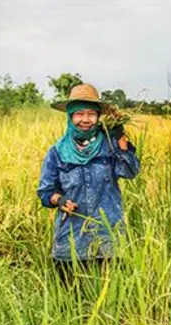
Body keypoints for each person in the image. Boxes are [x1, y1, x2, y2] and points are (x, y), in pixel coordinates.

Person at [37, 83, 140, 283]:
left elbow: (130, 171)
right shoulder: (57, 152)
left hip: (108, 234)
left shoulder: (110, 145)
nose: (85, 120)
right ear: (70, 117)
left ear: (98, 116)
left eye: (91, 114)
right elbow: (45, 192)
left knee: (111, 292)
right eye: (79, 114)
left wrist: (120, 136)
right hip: (72, 237)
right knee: (71, 294)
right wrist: (60, 200)